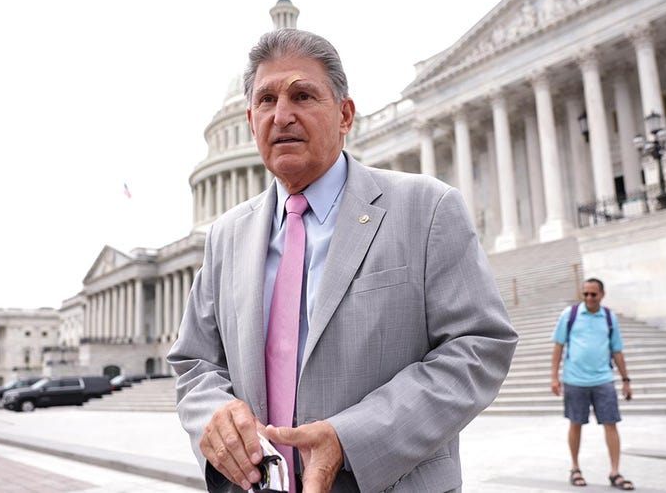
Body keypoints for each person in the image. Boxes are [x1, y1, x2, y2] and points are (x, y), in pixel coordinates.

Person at [167, 28, 518, 493]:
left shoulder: (427, 208)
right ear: (251, 120)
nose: (282, 115)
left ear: (345, 114)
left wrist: (351, 439)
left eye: (303, 95)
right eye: (267, 100)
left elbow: (480, 345)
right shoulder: (226, 236)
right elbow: (194, 361)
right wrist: (217, 416)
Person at [550, 278, 635, 491]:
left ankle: (615, 472)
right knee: (575, 424)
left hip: (603, 379)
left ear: (602, 295)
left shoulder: (609, 317)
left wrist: (626, 380)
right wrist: (554, 376)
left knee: (611, 424)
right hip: (574, 380)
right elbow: (558, 346)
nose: (589, 298)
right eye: (585, 293)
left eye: (593, 294)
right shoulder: (569, 315)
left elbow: (617, 351)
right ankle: (575, 468)